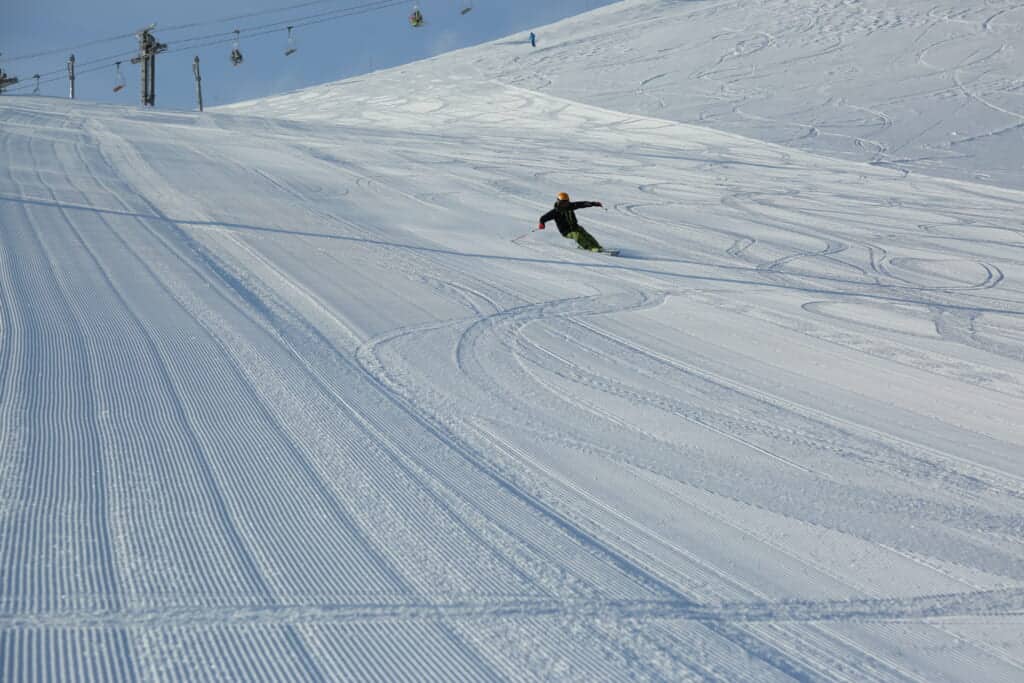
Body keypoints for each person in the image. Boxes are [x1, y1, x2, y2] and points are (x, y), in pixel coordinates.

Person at [538, 192, 605, 251]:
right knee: (577, 235)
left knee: (585, 234)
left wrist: (593, 203)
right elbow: (543, 218)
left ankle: (597, 246)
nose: (565, 204)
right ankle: (590, 247)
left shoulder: (570, 206)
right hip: (566, 231)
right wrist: (542, 223)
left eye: (566, 202)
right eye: (563, 203)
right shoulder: (555, 212)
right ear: (559, 202)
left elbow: (582, 204)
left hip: (575, 227)